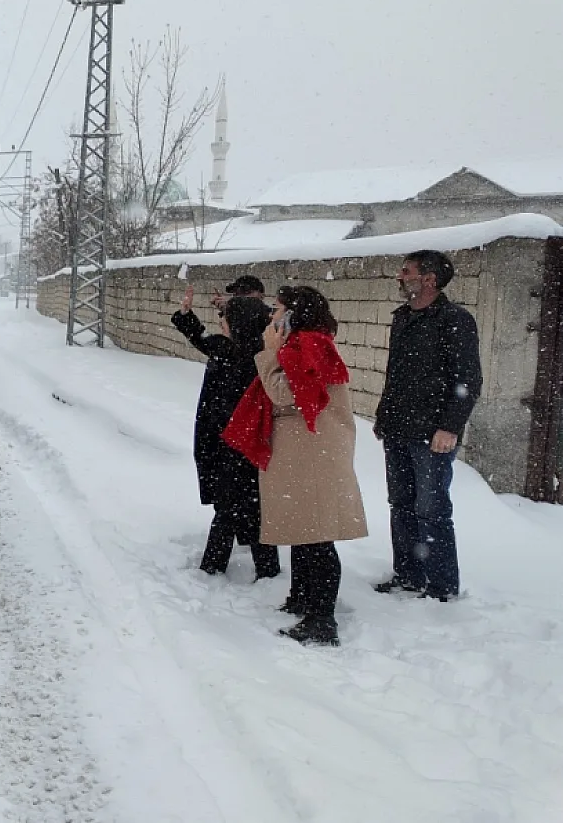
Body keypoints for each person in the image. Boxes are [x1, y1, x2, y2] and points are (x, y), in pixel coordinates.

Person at [223, 285, 368, 647]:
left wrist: (269, 354)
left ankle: (322, 619)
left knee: (317, 536)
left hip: (313, 454)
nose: (271, 317)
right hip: (304, 452)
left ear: (293, 314)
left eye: (278, 309)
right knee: (304, 530)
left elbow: (287, 394)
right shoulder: (303, 343)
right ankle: (302, 598)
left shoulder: (311, 345)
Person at [373, 250, 482, 602]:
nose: (400, 277)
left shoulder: (455, 319)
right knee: (401, 503)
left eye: (406, 271)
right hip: (398, 428)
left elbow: (468, 380)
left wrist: (450, 427)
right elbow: (396, 376)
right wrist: (384, 417)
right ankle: (408, 575)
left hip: (432, 433)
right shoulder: (402, 318)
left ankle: (441, 588)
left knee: (432, 510)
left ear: (429, 280)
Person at [172, 287, 280, 579]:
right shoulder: (238, 349)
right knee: (241, 504)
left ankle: (222, 566)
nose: (222, 322)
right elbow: (201, 338)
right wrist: (186, 315)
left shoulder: (255, 357)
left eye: (227, 318)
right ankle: (260, 566)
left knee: (236, 506)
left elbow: (202, 340)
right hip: (231, 439)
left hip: (237, 440)